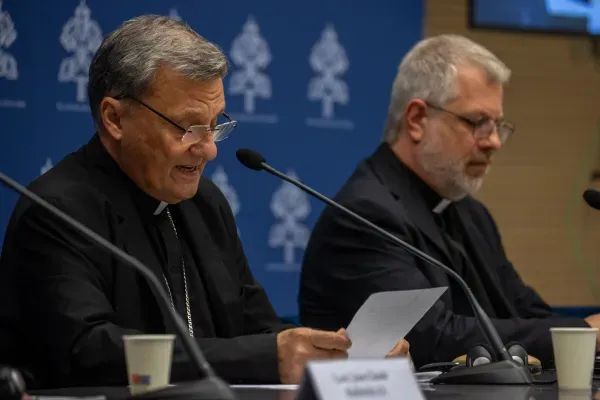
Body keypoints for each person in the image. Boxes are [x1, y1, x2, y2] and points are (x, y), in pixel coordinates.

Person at [0, 15, 409, 389]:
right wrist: (266, 357)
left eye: (214, 126)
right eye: (188, 127)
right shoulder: (57, 211)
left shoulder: (205, 204)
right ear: (115, 118)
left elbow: (260, 329)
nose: (210, 150)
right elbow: (90, 351)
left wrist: (338, 357)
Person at [298, 34, 599, 370]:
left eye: (497, 125)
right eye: (477, 122)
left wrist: (587, 336)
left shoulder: (470, 213)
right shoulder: (363, 216)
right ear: (416, 120)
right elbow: (431, 338)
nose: (494, 141)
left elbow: (522, 307)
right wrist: (585, 333)